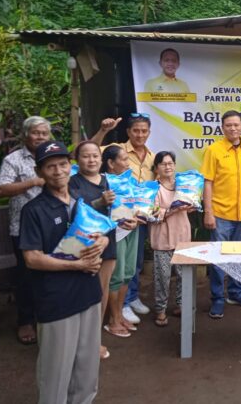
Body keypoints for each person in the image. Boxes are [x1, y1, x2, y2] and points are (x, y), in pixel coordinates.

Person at [19, 141, 108, 404]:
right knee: (55, 371)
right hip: (56, 299)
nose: (58, 171)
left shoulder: (81, 201)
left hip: (88, 293)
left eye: (62, 164)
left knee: (87, 367)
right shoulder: (33, 210)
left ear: (70, 166)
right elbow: (32, 258)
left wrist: (102, 242)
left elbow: (100, 233)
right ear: (40, 172)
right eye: (50, 167)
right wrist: (76, 265)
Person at [0, 116, 51, 345]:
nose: (40, 137)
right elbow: (0, 189)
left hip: (52, 225)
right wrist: (33, 182)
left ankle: (48, 317)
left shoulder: (53, 157)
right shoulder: (14, 159)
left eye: (44, 133)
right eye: (36, 133)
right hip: (23, 227)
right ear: (26, 135)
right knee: (26, 276)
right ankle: (25, 321)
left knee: (52, 272)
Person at [92, 114, 155, 324]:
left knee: (133, 265)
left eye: (144, 131)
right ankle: (119, 310)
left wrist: (146, 212)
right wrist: (103, 130)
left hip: (138, 220)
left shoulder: (152, 157)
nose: (140, 134)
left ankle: (130, 299)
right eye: (136, 130)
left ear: (149, 133)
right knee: (117, 270)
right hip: (116, 226)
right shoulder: (116, 150)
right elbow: (88, 151)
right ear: (128, 132)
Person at [201, 110, 241, 318]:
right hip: (220, 213)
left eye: (236, 125)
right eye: (228, 125)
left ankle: (236, 293)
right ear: (222, 127)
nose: (233, 128)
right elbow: (208, 182)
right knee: (219, 258)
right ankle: (218, 298)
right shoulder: (213, 150)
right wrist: (208, 212)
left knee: (240, 256)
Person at [68, 141, 118, 360]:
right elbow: (74, 210)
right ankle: (80, 342)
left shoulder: (109, 180)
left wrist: (131, 217)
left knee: (102, 291)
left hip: (108, 241)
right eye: (86, 156)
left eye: (95, 156)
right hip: (83, 245)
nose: (91, 160)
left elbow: (118, 208)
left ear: (101, 159)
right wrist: (99, 202)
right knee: (84, 293)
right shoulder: (72, 182)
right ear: (77, 160)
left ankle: (94, 340)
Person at [150, 151, 194, 327]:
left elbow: (191, 204)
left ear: (175, 166)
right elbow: (152, 214)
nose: (167, 167)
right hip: (162, 238)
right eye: (163, 164)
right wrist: (173, 209)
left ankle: (181, 305)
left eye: (170, 163)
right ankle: (160, 310)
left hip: (182, 236)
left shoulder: (183, 185)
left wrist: (191, 205)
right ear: (156, 168)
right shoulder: (153, 188)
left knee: (184, 275)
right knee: (163, 277)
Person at [101, 145, 140, 340]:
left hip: (132, 230)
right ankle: (113, 319)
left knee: (127, 274)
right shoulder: (103, 182)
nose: (127, 163)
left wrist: (138, 217)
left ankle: (120, 315)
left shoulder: (129, 179)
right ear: (110, 163)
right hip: (115, 234)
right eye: (123, 159)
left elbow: (136, 204)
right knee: (116, 277)